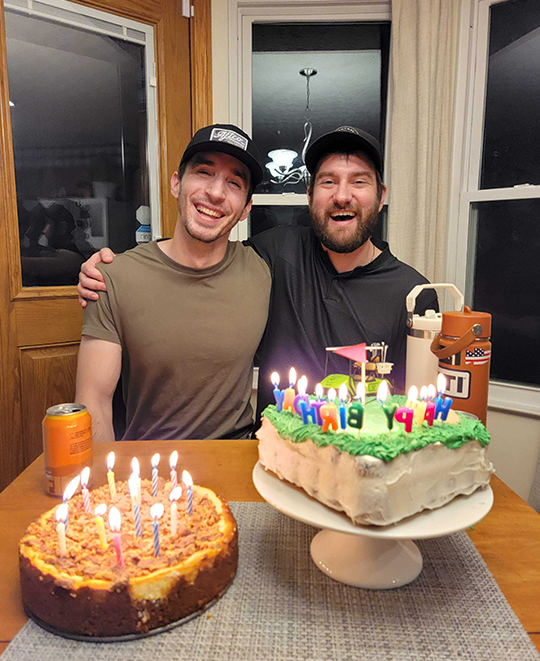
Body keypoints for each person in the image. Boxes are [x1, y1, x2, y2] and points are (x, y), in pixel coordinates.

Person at [79, 126, 436, 428]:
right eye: (328, 182)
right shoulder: (278, 253)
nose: (342, 196)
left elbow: (418, 416)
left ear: (381, 196)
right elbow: (197, 250)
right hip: (271, 460)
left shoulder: (414, 295)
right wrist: (118, 270)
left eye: (359, 182)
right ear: (310, 195)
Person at [75, 124, 272, 442]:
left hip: (238, 459)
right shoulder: (112, 277)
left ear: (246, 208)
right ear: (176, 183)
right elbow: (92, 402)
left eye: (234, 183)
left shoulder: (263, 270)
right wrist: (108, 485)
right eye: (204, 172)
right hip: (151, 469)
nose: (216, 193)